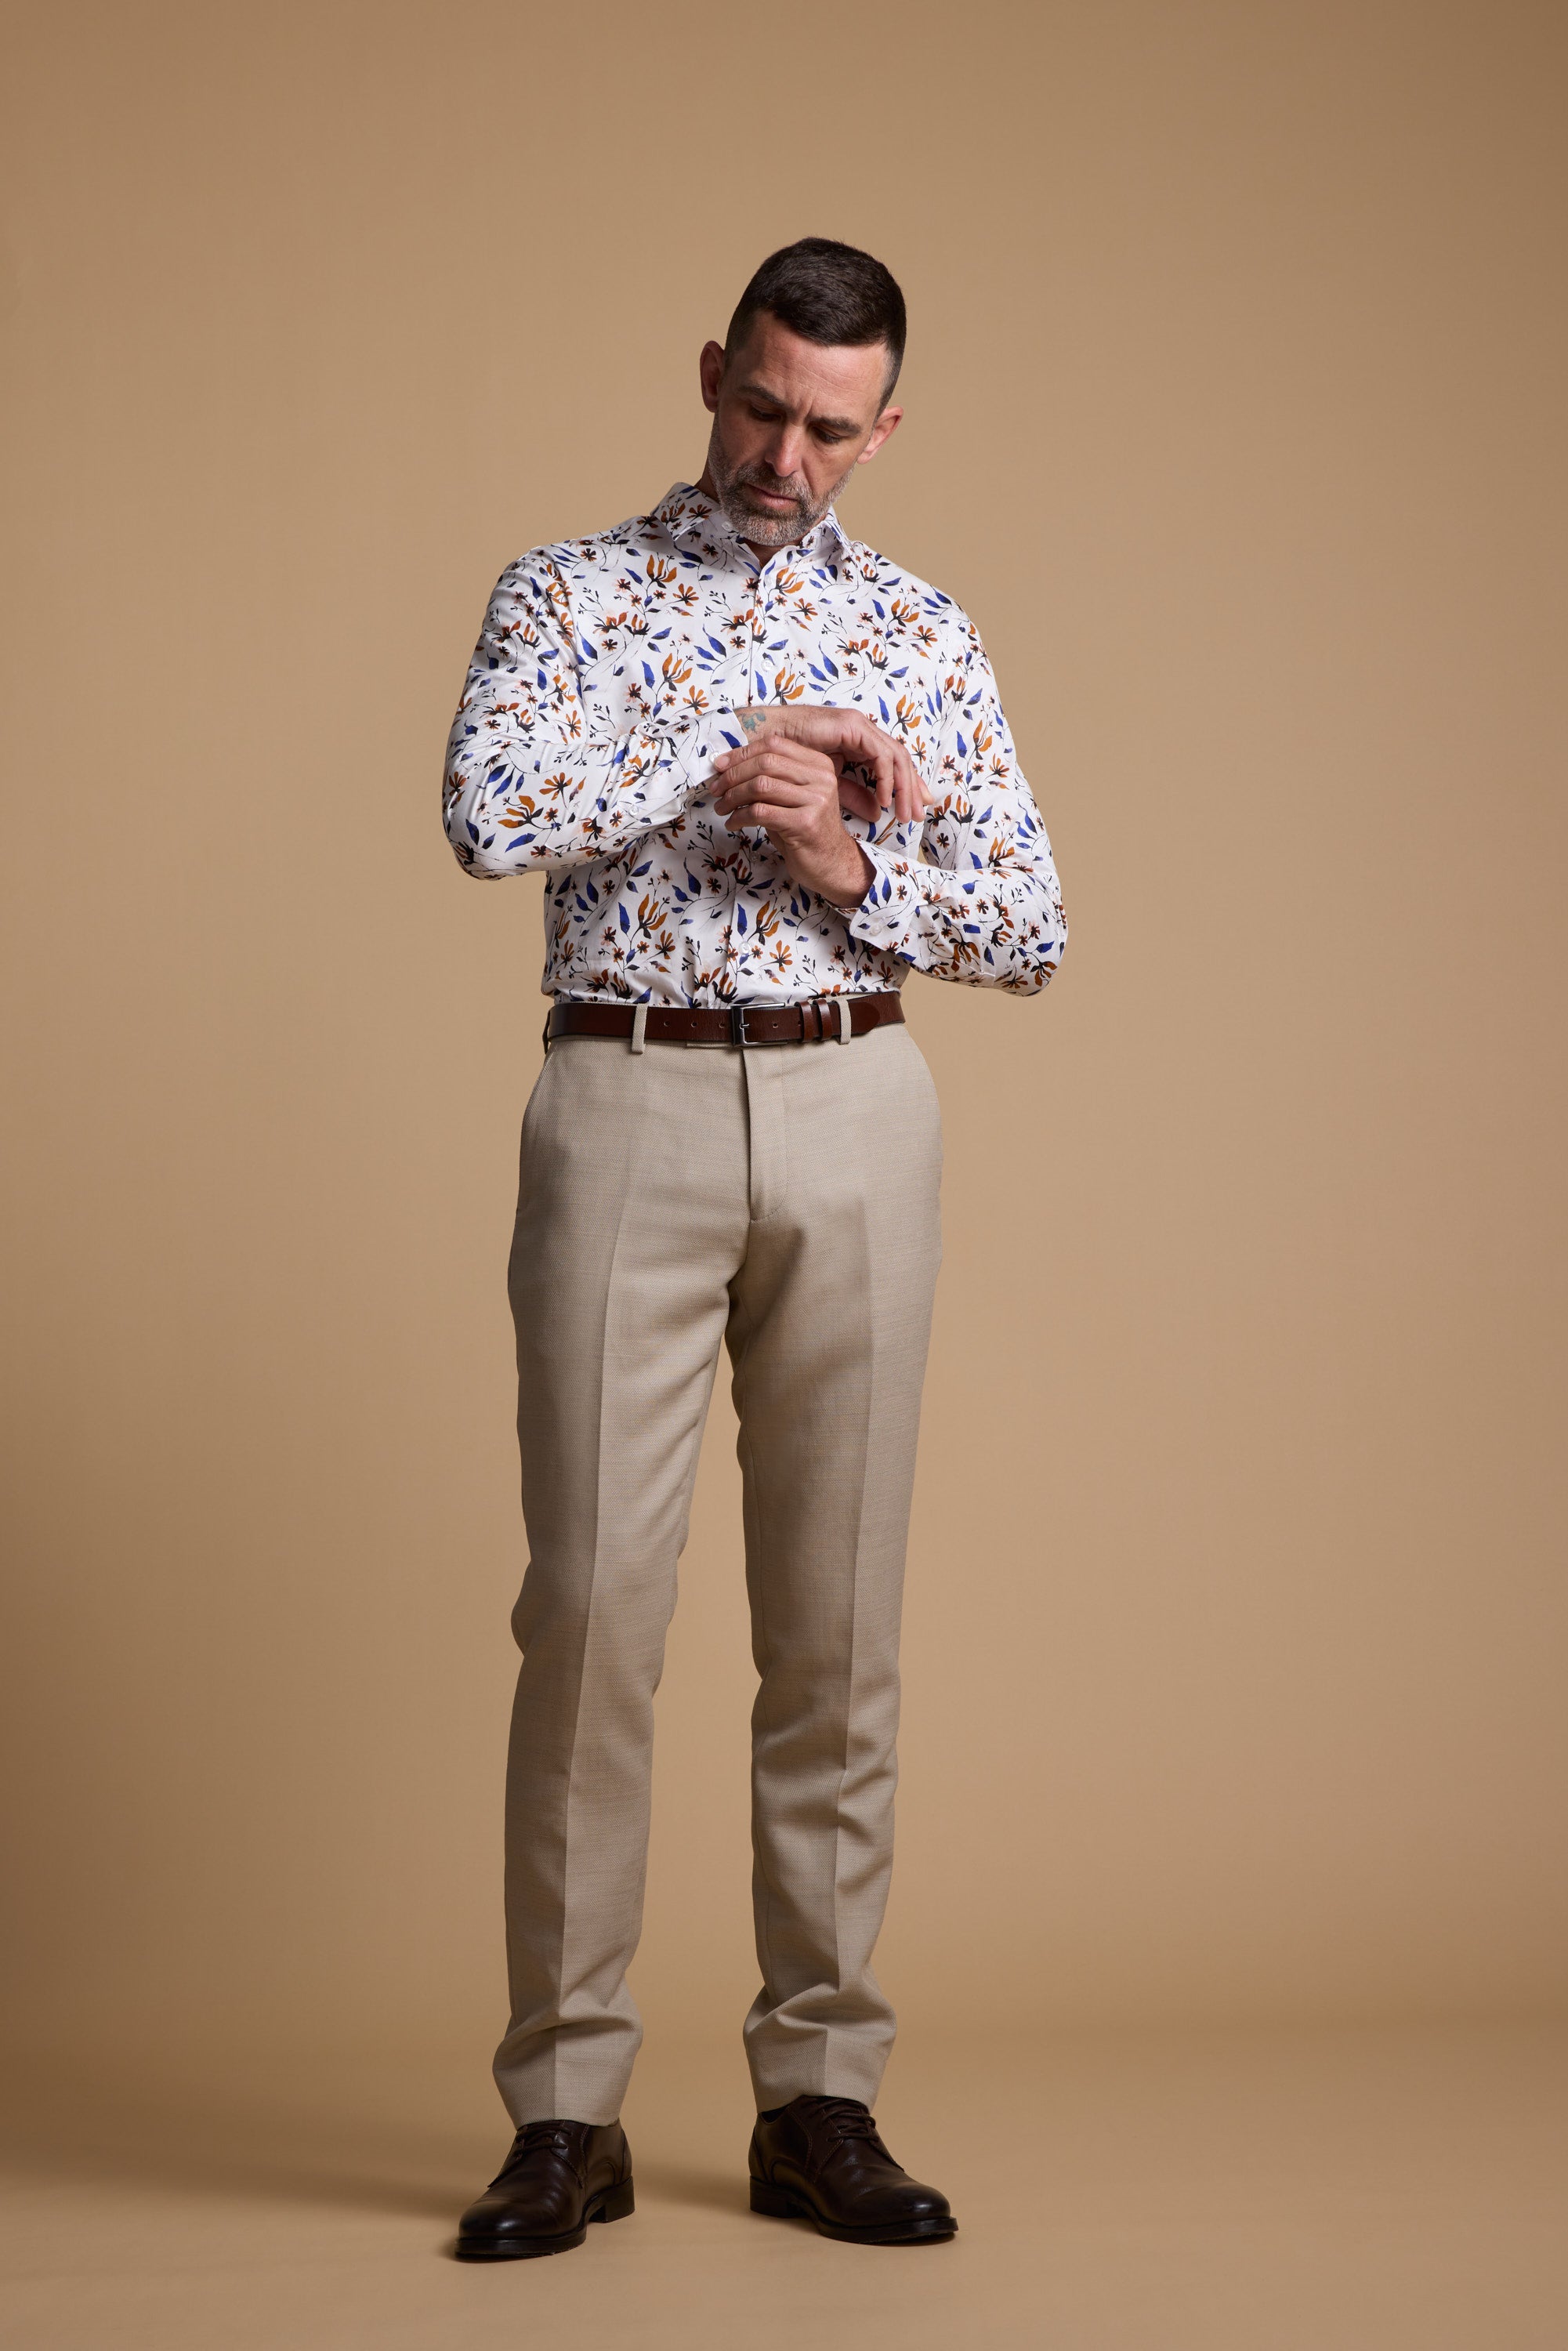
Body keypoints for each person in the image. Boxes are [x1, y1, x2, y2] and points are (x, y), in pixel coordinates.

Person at [441, 237, 1067, 2259]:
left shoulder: (922, 627)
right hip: (622, 1101)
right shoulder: (565, 592)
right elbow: (489, 808)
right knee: (595, 1624)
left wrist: (841, 851)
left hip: (853, 1108)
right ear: (712, 368)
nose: (785, 454)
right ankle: (563, 2108)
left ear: (885, 424)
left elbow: (1031, 931)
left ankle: (820, 2092)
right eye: (758, 405)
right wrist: (735, 751)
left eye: (829, 426)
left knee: (835, 1633)